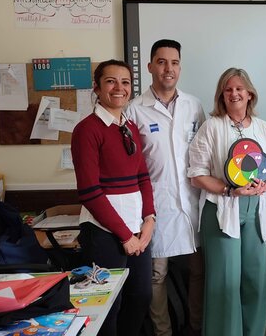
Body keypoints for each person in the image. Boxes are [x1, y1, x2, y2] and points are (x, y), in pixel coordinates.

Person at [188, 68, 266, 336]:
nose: (234, 93)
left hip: (257, 209)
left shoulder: (262, 127)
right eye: (228, 89)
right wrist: (229, 190)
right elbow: (197, 175)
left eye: (239, 88)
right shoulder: (212, 127)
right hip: (222, 209)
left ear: (250, 93)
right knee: (225, 281)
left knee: (255, 279)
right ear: (221, 95)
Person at [126, 39, 205, 336]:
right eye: (161, 62)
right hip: (155, 205)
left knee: (198, 271)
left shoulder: (194, 106)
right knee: (156, 274)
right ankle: (163, 332)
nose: (168, 69)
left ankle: (196, 327)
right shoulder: (134, 110)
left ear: (180, 68)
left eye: (174, 63)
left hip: (193, 201)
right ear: (150, 67)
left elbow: (205, 152)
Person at [71, 59, 156, 336]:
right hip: (104, 231)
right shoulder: (87, 129)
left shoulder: (129, 127)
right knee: (108, 304)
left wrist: (149, 219)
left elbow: (143, 177)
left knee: (140, 296)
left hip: (136, 228)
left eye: (125, 82)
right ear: (97, 87)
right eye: (111, 81)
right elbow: (89, 191)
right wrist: (125, 236)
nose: (119, 87)